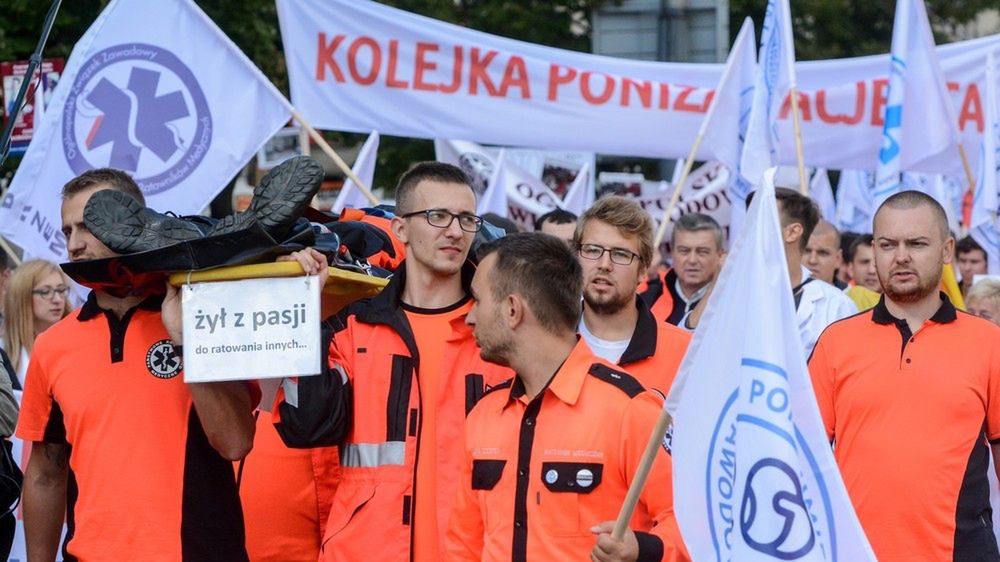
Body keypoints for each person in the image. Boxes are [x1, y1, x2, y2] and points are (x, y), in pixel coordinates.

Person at [273, 162, 513, 562]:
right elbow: (306, 426)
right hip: (367, 549)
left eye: (467, 219)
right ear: (400, 229)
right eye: (437, 216)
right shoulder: (353, 326)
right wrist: (304, 310)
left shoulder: (499, 332)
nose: (454, 230)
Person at [16, 168, 259, 561]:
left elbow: (235, 442)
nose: (74, 245)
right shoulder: (53, 345)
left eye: (88, 226)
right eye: (66, 231)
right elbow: (45, 472)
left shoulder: (203, 318)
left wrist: (185, 340)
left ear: (134, 224)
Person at [446, 232, 687, 562]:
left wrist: (642, 549)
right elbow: (463, 544)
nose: (470, 316)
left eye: (478, 300)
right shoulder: (485, 414)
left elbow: (690, 525)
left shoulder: (628, 409)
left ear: (513, 309)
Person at [809, 190, 1000, 560]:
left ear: (946, 251)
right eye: (887, 244)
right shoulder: (836, 342)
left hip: (960, 551)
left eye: (916, 243)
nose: (900, 256)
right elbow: (802, 456)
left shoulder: (990, 342)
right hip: (853, 552)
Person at [687, 187, 855, 356]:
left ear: (792, 232)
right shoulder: (732, 290)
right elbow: (685, 346)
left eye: (760, 220)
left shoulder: (836, 306)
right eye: (750, 220)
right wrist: (718, 283)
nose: (749, 229)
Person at [574, 196, 690, 397]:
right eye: (592, 250)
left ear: (643, 270)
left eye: (620, 254)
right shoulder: (543, 340)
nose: (604, 264)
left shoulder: (686, 353)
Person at [639, 213, 724, 326]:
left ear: (720, 255)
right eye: (684, 251)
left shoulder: (731, 303)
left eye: (702, 252)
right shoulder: (646, 300)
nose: (692, 260)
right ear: (672, 252)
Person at [2, 260, 73, 388]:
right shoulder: (4, 352)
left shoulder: (78, 341)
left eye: (61, 290)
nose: (57, 299)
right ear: (22, 296)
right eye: (45, 292)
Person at [802, 220, 845, 288]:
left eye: (822, 253)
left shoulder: (853, 297)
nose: (812, 260)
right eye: (806, 251)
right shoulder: (780, 293)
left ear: (838, 259)